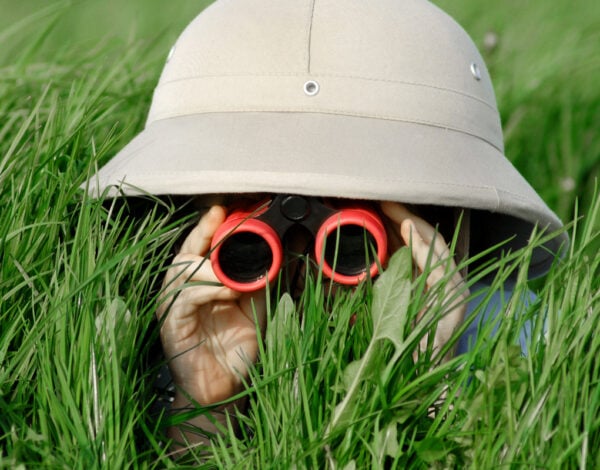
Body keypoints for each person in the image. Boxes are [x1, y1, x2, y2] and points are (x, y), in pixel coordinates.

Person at [84, 0, 567, 451]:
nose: (305, 253)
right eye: (252, 228)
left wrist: (421, 379)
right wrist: (206, 402)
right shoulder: (144, 339)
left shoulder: (519, 333)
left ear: (439, 222)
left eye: (351, 240)